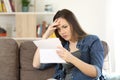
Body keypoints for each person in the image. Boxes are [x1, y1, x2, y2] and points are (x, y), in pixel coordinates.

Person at [33, 9, 104, 80]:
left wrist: (71, 58)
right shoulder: (61, 46)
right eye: (58, 29)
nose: (62, 32)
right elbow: (36, 64)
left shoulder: (92, 40)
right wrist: (45, 36)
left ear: (73, 24)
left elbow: (96, 73)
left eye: (65, 27)